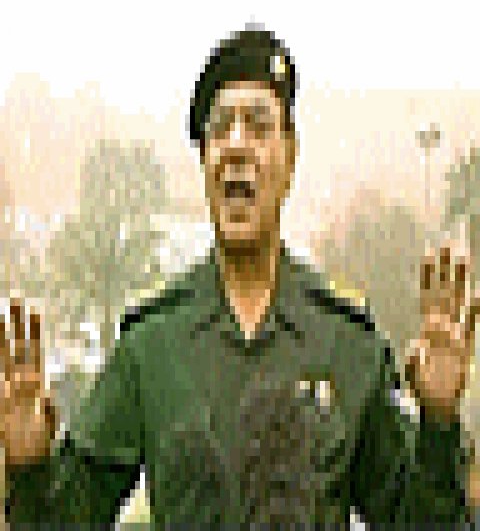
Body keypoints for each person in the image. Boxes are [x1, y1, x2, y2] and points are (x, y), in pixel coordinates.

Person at [2, 26, 478, 527]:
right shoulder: (152, 346)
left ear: (289, 157)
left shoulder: (346, 343)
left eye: (258, 125)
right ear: (205, 163)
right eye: (220, 128)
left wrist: (439, 421)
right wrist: (28, 465)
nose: (236, 146)